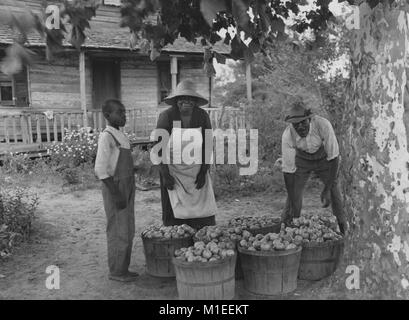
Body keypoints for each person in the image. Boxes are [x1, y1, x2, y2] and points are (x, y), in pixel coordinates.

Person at [278, 101, 348, 234]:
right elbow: (288, 172)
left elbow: (333, 157)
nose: (300, 127)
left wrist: (327, 188)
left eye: (303, 122)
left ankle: (343, 229)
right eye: (296, 125)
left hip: (324, 159)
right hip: (302, 159)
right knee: (294, 194)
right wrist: (293, 200)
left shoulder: (323, 124)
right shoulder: (288, 135)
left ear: (309, 119)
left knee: (334, 191)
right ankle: (287, 230)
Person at [155, 80, 217, 230]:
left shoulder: (202, 116)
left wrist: (203, 171)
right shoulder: (166, 116)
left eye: (190, 98)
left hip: (197, 168)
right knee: (175, 214)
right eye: (182, 98)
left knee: (201, 211)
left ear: (195, 101)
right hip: (172, 170)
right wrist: (165, 175)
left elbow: (208, 144)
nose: (186, 101)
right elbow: (159, 147)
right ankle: (177, 237)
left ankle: (199, 236)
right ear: (176, 101)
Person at [95, 99, 138, 282]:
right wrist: (116, 193)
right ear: (107, 116)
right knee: (117, 230)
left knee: (128, 229)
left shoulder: (120, 134)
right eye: (119, 112)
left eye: (124, 112)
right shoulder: (107, 137)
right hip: (115, 187)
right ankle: (117, 271)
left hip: (127, 185)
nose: (123, 116)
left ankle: (123, 268)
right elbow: (100, 170)